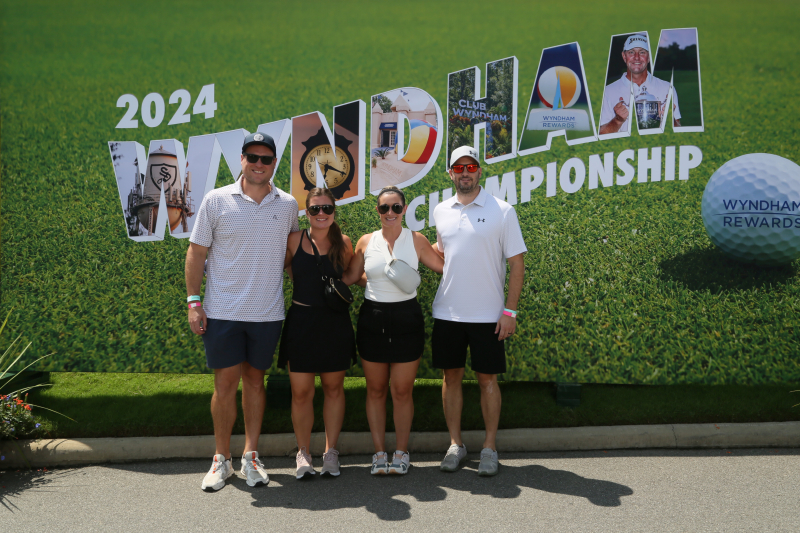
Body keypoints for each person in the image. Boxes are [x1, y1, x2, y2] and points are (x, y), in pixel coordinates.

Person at [186, 132, 299, 491]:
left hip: (267, 313)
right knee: (224, 385)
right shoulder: (216, 199)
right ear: (242, 159)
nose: (259, 164)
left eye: (266, 159)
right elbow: (196, 252)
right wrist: (193, 302)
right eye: (253, 157)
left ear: (274, 163)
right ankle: (221, 459)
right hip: (222, 311)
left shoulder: (288, 205)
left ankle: (250, 456)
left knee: (254, 383)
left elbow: (291, 255)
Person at [432, 146, 527, 477]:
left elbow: (517, 264)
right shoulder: (441, 210)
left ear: (480, 172)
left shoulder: (503, 211)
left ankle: (489, 447)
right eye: (458, 168)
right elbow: (444, 252)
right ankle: (455, 444)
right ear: (450, 173)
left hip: (488, 316)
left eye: (471, 167)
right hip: (448, 313)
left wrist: (510, 312)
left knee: (488, 381)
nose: (465, 173)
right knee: (451, 378)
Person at [343, 186, 444, 475]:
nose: (390, 213)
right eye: (384, 208)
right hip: (372, 319)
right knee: (375, 390)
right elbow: (351, 276)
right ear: (377, 210)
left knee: (401, 391)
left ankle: (401, 452)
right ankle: (378, 453)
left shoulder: (417, 240)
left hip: (407, 319)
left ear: (404, 209)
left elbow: (442, 267)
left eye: (396, 207)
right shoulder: (366, 241)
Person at [278, 188, 356, 480]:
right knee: (301, 392)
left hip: (334, 323)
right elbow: (286, 268)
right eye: (314, 209)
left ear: (334, 211)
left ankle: (330, 452)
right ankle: (303, 453)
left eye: (327, 208)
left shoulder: (343, 242)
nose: (321, 214)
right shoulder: (293, 240)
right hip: (301, 322)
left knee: (334, 389)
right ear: (306, 212)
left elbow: (350, 276)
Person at [599, 33, 681, 135]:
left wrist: (670, 118)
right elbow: (601, 135)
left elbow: (678, 132)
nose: (636, 57)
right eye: (631, 52)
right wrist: (617, 120)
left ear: (649, 57)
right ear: (624, 56)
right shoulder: (607, 91)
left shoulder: (667, 88)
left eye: (642, 52)